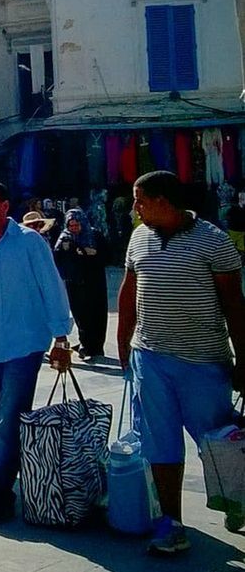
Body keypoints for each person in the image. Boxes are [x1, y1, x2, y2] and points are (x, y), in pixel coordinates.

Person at [117, 171, 244, 556]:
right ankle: (171, 524)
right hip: (150, 358)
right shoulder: (139, 238)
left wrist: (244, 360)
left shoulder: (214, 242)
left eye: (140, 200)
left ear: (163, 201)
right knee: (160, 445)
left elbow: (234, 307)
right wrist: (125, 345)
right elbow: (127, 293)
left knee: (220, 442)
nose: (135, 208)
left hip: (203, 362)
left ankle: (235, 499)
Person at [0, 180, 73, 524]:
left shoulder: (30, 243)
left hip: (25, 347)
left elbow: (52, 287)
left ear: (5, 207)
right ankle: (10, 478)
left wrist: (62, 338)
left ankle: (1, 495)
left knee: (8, 423)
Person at [53, 208, 109, 360]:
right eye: (71, 225)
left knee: (96, 313)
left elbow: (107, 255)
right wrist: (69, 251)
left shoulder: (94, 235)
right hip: (74, 282)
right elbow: (57, 258)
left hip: (94, 282)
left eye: (77, 225)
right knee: (80, 314)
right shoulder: (65, 237)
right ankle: (86, 344)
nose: (74, 228)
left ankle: (96, 346)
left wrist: (93, 254)